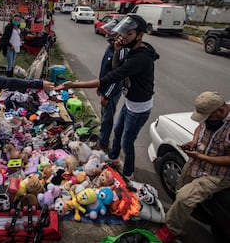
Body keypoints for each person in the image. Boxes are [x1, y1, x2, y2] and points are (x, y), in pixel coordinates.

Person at [56, 14, 159, 179]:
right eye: (123, 33)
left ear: (140, 35)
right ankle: (113, 158)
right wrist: (118, 52)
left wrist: (74, 84)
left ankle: (128, 174)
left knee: (127, 141)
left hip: (139, 107)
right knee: (118, 131)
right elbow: (115, 68)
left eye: (129, 33)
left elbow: (109, 78)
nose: (124, 37)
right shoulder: (132, 51)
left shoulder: (140, 58)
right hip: (131, 102)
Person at [155, 91, 230, 242]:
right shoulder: (212, 116)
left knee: (184, 198)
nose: (205, 121)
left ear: (221, 111)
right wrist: (194, 142)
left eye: (208, 117)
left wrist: (202, 157)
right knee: (180, 189)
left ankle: (171, 229)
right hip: (196, 163)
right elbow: (199, 128)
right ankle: (182, 211)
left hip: (217, 174)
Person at [96, 26, 129, 151]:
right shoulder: (110, 48)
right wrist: (100, 86)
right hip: (105, 88)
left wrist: (107, 96)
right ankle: (102, 137)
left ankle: (103, 143)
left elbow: (117, 78)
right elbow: (104, 69)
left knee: (107, 119)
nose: (109, 33)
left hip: (112, 92)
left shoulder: (120, 52)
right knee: (104, 115)